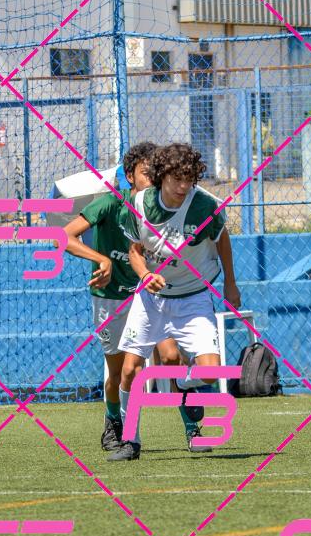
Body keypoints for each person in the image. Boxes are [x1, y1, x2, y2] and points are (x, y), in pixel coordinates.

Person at [63, 142, 201, 451]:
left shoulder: (166, 209)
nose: (153, 180)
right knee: (119, 372)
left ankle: (193, 428)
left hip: (149, 295)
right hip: (111, 297)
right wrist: (101, 259)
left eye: (157, 174)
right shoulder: (110, 204)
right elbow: (65, 236)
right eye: (146, 173)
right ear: (129, 176)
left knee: (171, 357)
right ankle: (114, 422)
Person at [108, 142, 241, 462]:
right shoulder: (140, 204)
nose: (183, 187)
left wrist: (230, 282)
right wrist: (144, 275)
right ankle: (130, 440)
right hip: (151, 299)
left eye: (189, 179)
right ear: (161, 176)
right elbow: (134, 251)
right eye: (176, 179)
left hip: (193, 297)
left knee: (210, 371)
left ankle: (183, 383)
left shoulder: (204, 205)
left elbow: (222, 237)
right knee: (129, 371)